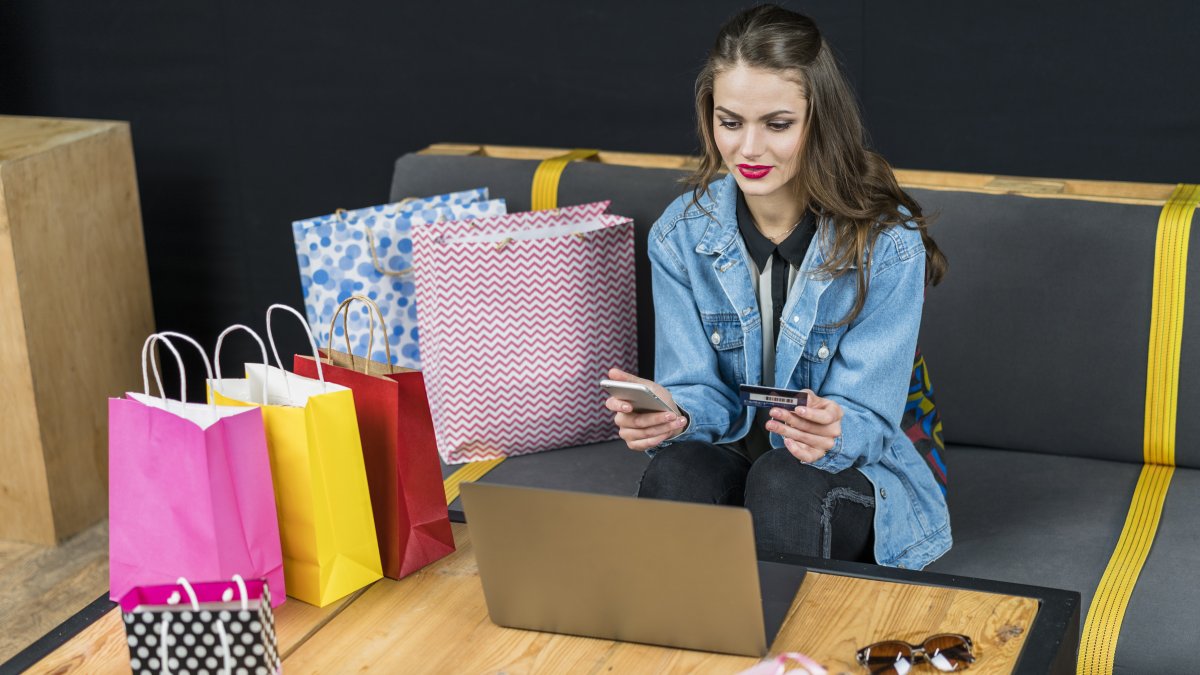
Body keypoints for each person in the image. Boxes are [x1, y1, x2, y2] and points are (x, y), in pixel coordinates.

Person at [603, 4, 950, 570]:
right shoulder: (679, 236)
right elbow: (697, 390)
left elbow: (869, 421)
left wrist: (832, 429)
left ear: (820, 120)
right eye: (731, 122)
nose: (748, 150)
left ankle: (780, 658)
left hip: (841, 472)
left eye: (778, 124)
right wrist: (674, 413)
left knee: (784, 477)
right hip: (736, 455)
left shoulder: (888, 243)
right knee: (677, 469)